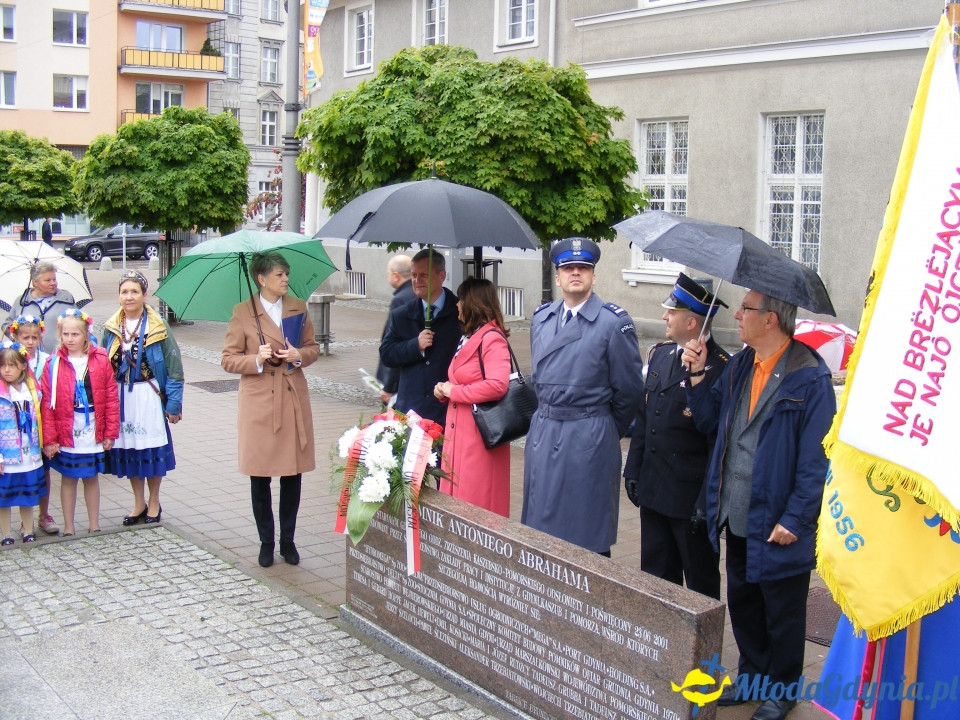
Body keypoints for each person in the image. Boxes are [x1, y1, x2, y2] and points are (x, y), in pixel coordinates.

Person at [682, 290, 836, 720]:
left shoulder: (810, 377)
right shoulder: (739, 367)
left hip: (779, 516)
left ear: (770, 319)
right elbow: (713, 424)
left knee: (782, 610)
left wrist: (798, 517)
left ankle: (782, 690)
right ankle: (753, 677)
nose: (737, 314)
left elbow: (816, 458)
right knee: (745, 601)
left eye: (746, 309)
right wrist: (695, 376)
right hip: (737, 509)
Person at [521, 237, 644, 556]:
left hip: (587, 437)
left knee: (586, 536)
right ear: (558, 277)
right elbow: (541, 379)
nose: (576, 273)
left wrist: (600, 428)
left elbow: (629, 392)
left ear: (593, 276)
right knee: (543, 536)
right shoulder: (541, 318)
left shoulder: (613, 323)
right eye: (568, 268)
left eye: (583, 268)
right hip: (546, 433)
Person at [623, 274, 729, 599]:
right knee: (656, 581)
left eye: (671, 312)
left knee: (699, 586)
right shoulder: (662, 354)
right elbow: (644, 419)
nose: (664, 317)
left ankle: (702, 653)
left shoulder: (723, 368)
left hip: (689, 501)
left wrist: (706, 504)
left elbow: (716, 441)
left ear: (692, 321)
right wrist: (633, 470)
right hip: (654, 492)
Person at [221, 251, 320, 568]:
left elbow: (313, 349)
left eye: (286, 274)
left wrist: (297, 354)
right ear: (262, 279)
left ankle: (288, 540)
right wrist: (257, 359)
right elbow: (228, 359)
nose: (286, 280)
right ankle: (266, 541)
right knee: (260, 473)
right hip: (259, 399)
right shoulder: (242, 312)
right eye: (279, 274)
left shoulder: (298, 307)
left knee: (292, 472)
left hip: (292, 395)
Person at [102, 270, 183, 526]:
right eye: (124, 292)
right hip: (122, 398)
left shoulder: (158, 326)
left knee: (150, 448)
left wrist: (173, 403)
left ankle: (155, 501)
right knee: (130, 449)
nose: (129, 297)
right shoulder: (111, 327)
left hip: (149, 396)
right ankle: (138, 502)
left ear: (144, 295)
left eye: (134, 291)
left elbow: (174, 366)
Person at [433, 277, 511, 516]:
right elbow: (464, 377)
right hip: (460, 434)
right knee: (457, 499)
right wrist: (444, 390)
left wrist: (453, 391)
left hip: (479, 434)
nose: (457, 305)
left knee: (476, 502)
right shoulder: (469, 335)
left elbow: (497, 385)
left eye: (461, 299)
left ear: (473, 303)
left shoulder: (492, 338)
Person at [40, 310, 120, 537]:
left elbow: (111, 397)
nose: (70, 338)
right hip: (68, 426)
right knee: (69, 477)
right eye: (66, 334)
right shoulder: (53, 363)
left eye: (75, 333)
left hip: (93, 424)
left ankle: (94, 522)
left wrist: (109, 432)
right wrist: (50, 438)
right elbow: (48, 403)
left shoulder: (100, 359)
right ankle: (68, 525)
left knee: (91, 477)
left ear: (86, 335)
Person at [379, 248, 461, 426]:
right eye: (414, 275)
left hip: (448, 409)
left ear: (442, 276)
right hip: (412, 409)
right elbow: (387, 353)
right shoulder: (402, 314)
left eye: (424, 275)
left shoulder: (460, 312)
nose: (417, 281)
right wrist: (414, 345)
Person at [8, 315, 58, 535]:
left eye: (34, 338)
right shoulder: (9, 362)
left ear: (40, 338)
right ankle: (23, 521)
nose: (29, 342)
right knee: (21, 473)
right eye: (25, 337)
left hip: (41, 426)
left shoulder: (47, 361)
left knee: (43, 471)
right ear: (15, 337)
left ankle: (43, 514)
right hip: (17, 431)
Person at [0, 345, 45, 546]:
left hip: (30, 455)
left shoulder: (32, 391)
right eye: (2, 366)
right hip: (7, 456)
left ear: (23, 366)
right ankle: (6, 534)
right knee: (4, 498)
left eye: (12, 365)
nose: (6, 370)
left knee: (27, 496)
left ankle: (28, 530)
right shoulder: (2, 393)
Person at [3, 261, 78, 354]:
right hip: (28, 358)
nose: (53, 283)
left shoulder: (66, 299)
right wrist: (19, 337)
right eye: (48, 280)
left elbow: (79, 326)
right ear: (35, 282)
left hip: (60, 356)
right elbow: (7, 325)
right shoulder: (22, 301)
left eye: (54, 279)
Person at [376, 254, 415, 406]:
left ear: (395, 275)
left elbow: (394, 344)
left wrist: (389, 385)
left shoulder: (400, 300)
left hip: (402, 376)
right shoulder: (417, 294)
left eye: (388, 274)